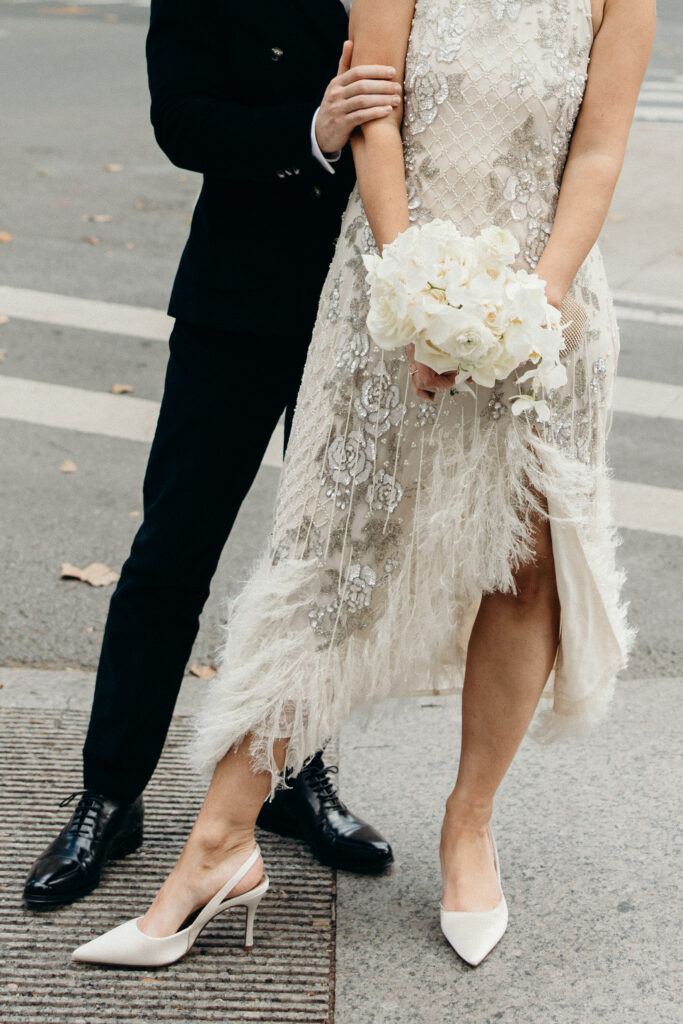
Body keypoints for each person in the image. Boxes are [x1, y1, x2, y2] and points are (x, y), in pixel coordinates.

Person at [71, 0, 654, 969]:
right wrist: (417, 296)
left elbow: (594, 156)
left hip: (546, 312)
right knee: (330, 558)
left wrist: (530, 306)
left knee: (526, 570)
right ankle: (216, 843)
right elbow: (375, 120)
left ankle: (466, 828)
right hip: (395, 295)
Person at [23, 0, 401, 911]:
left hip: (369, 314)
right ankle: (111, 793)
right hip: (238, 299)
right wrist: (310, 129)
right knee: (171, 553)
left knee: (317, 563)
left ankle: (287, 772)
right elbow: (180, 118)